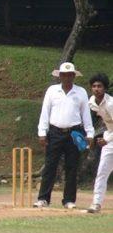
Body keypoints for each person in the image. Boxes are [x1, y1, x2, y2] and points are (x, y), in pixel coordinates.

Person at [35, 62, 94, 209]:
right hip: (55, 132)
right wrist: (42, 132)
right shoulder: (52, 90)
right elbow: (45, 112)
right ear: (60, 76)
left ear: (74, 76)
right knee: (50, 165)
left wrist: (90, 133)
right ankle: (43, 198)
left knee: (72, 167)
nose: (67, 78)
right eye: (64, 75)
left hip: (74, 132)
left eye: (70, 75)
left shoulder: (80, 92)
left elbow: (86, 114)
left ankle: (69, 200)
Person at [86, 73, 113, 213]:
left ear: (105, 88)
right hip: (110, 138)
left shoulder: (111, 103)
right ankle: (96, 203)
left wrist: (106, 139)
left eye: (100, 86)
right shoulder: (92, 102)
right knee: (102, 171)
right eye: (94, 86)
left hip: (109, 138)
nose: (96, 89)